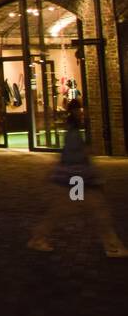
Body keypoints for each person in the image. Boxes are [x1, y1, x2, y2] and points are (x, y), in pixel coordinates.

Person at [28, 97, 126, 256]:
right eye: (80, 109)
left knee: (75, 207)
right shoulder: (73, 133)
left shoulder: (73, 131)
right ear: (75, 111)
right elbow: (73, 159)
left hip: (78, 178)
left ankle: (39, 236)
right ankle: (112, 245)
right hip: (78, 178)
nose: (83, 112)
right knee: (92, 207)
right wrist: (90, 170)